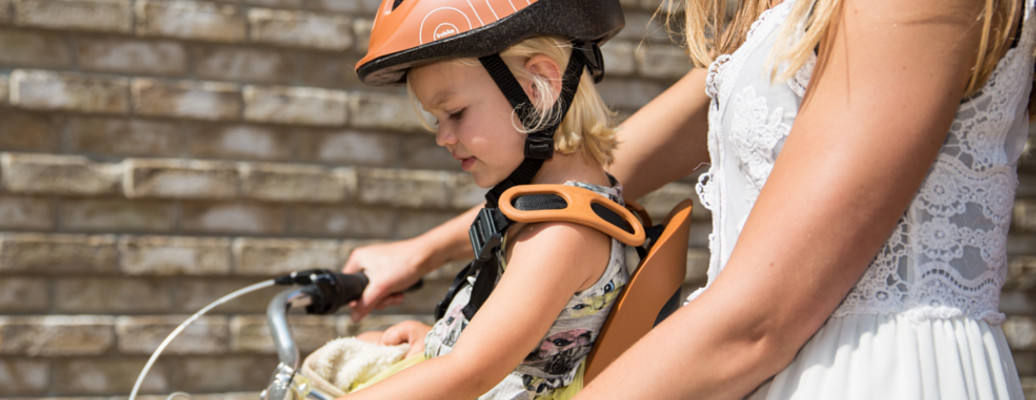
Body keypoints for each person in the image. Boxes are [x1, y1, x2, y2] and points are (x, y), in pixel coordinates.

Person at [344, 0, 1033, 398]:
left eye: (454, 114)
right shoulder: (786, 12)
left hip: (873, 372)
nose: (444, 136)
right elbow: (601, 166)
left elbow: (759, 319)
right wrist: (427, 251)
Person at [316, 0, 644, 398]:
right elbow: (512, 351)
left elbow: (467, 374)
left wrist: (449, 358)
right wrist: (440, 337)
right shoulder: (545, 212)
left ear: (537, 88)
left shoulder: (561, 234)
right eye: (438, 120)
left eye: (455, 113)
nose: (442, 136)